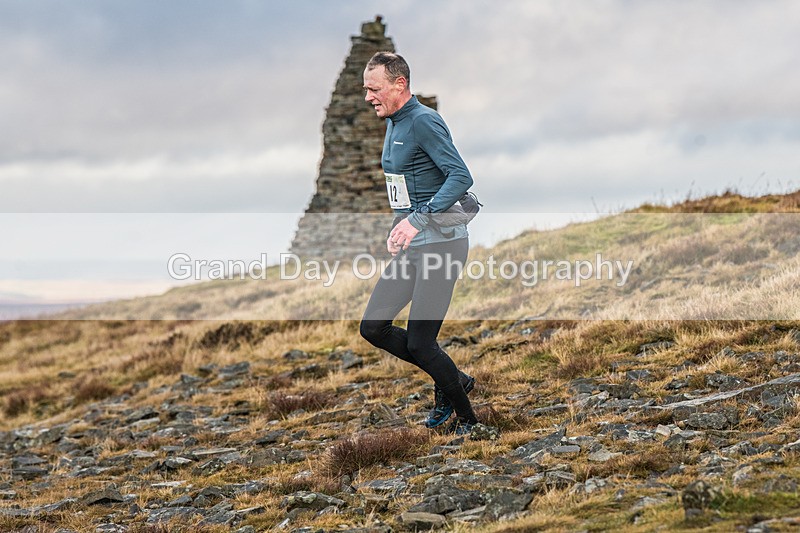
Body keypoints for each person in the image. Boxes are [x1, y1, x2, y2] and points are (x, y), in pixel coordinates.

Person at [358, 51, 479, 435]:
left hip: (442, 247)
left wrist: (418, 220)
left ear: (400, 84)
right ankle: (453, 379)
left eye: (373, 89)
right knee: (374, 327)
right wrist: (400, 228)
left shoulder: (424, 121)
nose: (368, 97)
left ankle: (469, 421)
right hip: (414, 246)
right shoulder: (393, 122)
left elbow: (460, 177)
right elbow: (406, 189)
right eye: (365, 89)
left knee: (423, 344)